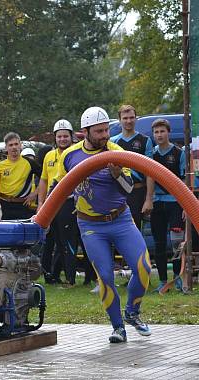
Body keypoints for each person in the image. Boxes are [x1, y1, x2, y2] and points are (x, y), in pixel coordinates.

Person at [60, 106, 151, 343]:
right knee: (105, 277)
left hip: (120, 219)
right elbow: (61, 188)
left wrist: (117, 174)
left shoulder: (117, 151)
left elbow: (129, 188)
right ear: (85, 132)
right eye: (99, 131)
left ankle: (132, 312)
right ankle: (117, 327)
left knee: (144, 268)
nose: (104, 135)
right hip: (91, 226)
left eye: (105, 130)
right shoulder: (69, 155)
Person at [143, 118, 189, 293]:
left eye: (162, 131)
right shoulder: (151, 154)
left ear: (168, 132)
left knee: (177, 243)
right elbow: (149, 178)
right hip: (157, 203)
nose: (159, 135)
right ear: (153, 135)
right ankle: (163, 280)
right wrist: (148, 199)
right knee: (159, 243)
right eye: (156, 132)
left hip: (175, 203)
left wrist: (185, 204)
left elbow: (184, 180)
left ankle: (177, 278)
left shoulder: (179, 153)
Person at [38, 120, 79, 286]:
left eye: (65, 136)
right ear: (55, 138)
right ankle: (50, 276)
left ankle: (71, 278)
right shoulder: (49, 155)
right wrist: (41, 203)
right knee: (49, 241)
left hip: (68, 202)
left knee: (68, 241)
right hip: (50, 202)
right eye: (59, 136)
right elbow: (43, 180)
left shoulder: (76, 153)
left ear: (71, 136)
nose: (62, 139)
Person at [110, 104, 154, 231]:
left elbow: (150, 172)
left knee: (136, 232)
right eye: (125, 118)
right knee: (117, 231)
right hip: (117, 193)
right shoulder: (113, 142)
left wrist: (149, 199)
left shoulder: (145, 140)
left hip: (137, 193)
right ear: (119, 120)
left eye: (131, 117)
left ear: (136, 119)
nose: (128, 121)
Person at [0, 133, 38, 220]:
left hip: (23, 205)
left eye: (16, 144)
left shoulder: (29, 162)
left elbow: (45, 178)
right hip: (4, 205)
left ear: (20, 145)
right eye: (11, 145)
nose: (14, 147)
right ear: (6, 147)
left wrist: (34, 194)